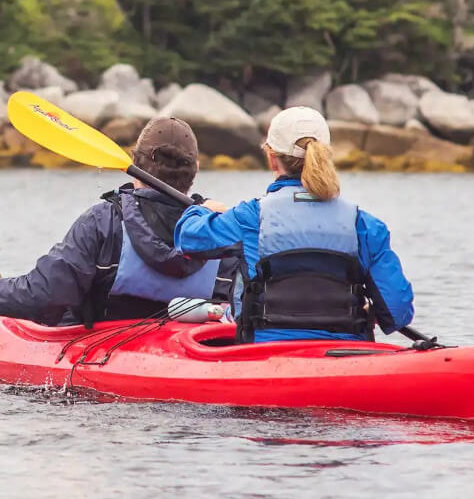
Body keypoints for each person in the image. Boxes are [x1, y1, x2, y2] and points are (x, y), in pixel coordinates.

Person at [0, 117, 240, 327]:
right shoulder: (220, 229)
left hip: (103, 351)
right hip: (187, 353)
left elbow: (43, 297)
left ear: (134, 162)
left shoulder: (103, 221)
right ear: (196, 170)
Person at [173, 106, 414, 343]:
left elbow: (186, 240)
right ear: (325, 156)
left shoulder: (250, 217)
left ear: (272, 158)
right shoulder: (365, 226)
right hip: (346, 356)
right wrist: (367, 308)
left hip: (263, 352)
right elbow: (397, 314)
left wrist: (201, 208)